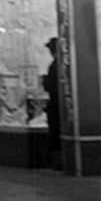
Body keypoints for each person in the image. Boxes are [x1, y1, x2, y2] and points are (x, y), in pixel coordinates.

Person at [42, 36, 61, 170]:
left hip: (55, 105)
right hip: (58, 104)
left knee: (55, 133)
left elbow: (50, 86)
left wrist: (45, 81)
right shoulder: (58, 65)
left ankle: (57, 162)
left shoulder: (55, 66)